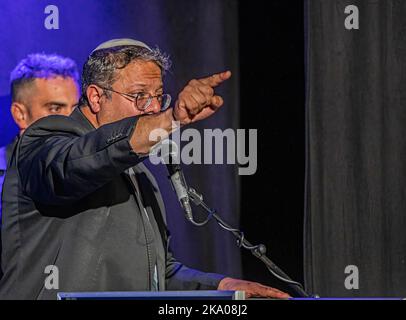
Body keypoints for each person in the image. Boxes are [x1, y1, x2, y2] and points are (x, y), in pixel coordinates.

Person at [0, 39, 289, 299]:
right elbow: (76, 164)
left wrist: (223, 287)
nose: (152, 108)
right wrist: (171, 118)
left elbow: (159, 274)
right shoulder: (42, 140)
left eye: (158, 96)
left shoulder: (140, 175)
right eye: (139, 96)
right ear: (97, 97)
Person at [0, 53, 80, 280]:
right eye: (55, 109)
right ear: (20, 114)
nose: (69, 121)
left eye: (74, 109)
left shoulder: (92, 174)